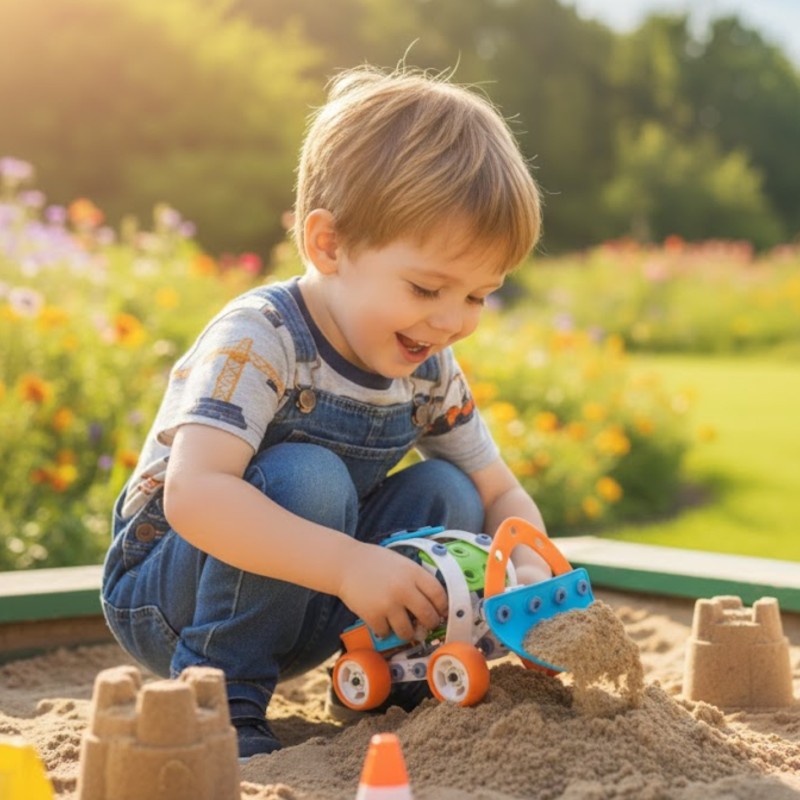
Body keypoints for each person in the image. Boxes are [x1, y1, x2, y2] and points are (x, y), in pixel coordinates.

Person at [101, 65, 552, 761]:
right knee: (308, 475)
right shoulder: (262, 338)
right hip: (173, 596)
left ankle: (386, 678)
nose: (453, 320)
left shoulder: (429, 364)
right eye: (429, 287)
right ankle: (219, 693)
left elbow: (498, 491)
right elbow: (195, 496)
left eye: (478, 295)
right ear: (329, 245)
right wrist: (346, 567)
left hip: (317, 594)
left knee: (449, 491)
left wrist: (529, 566)